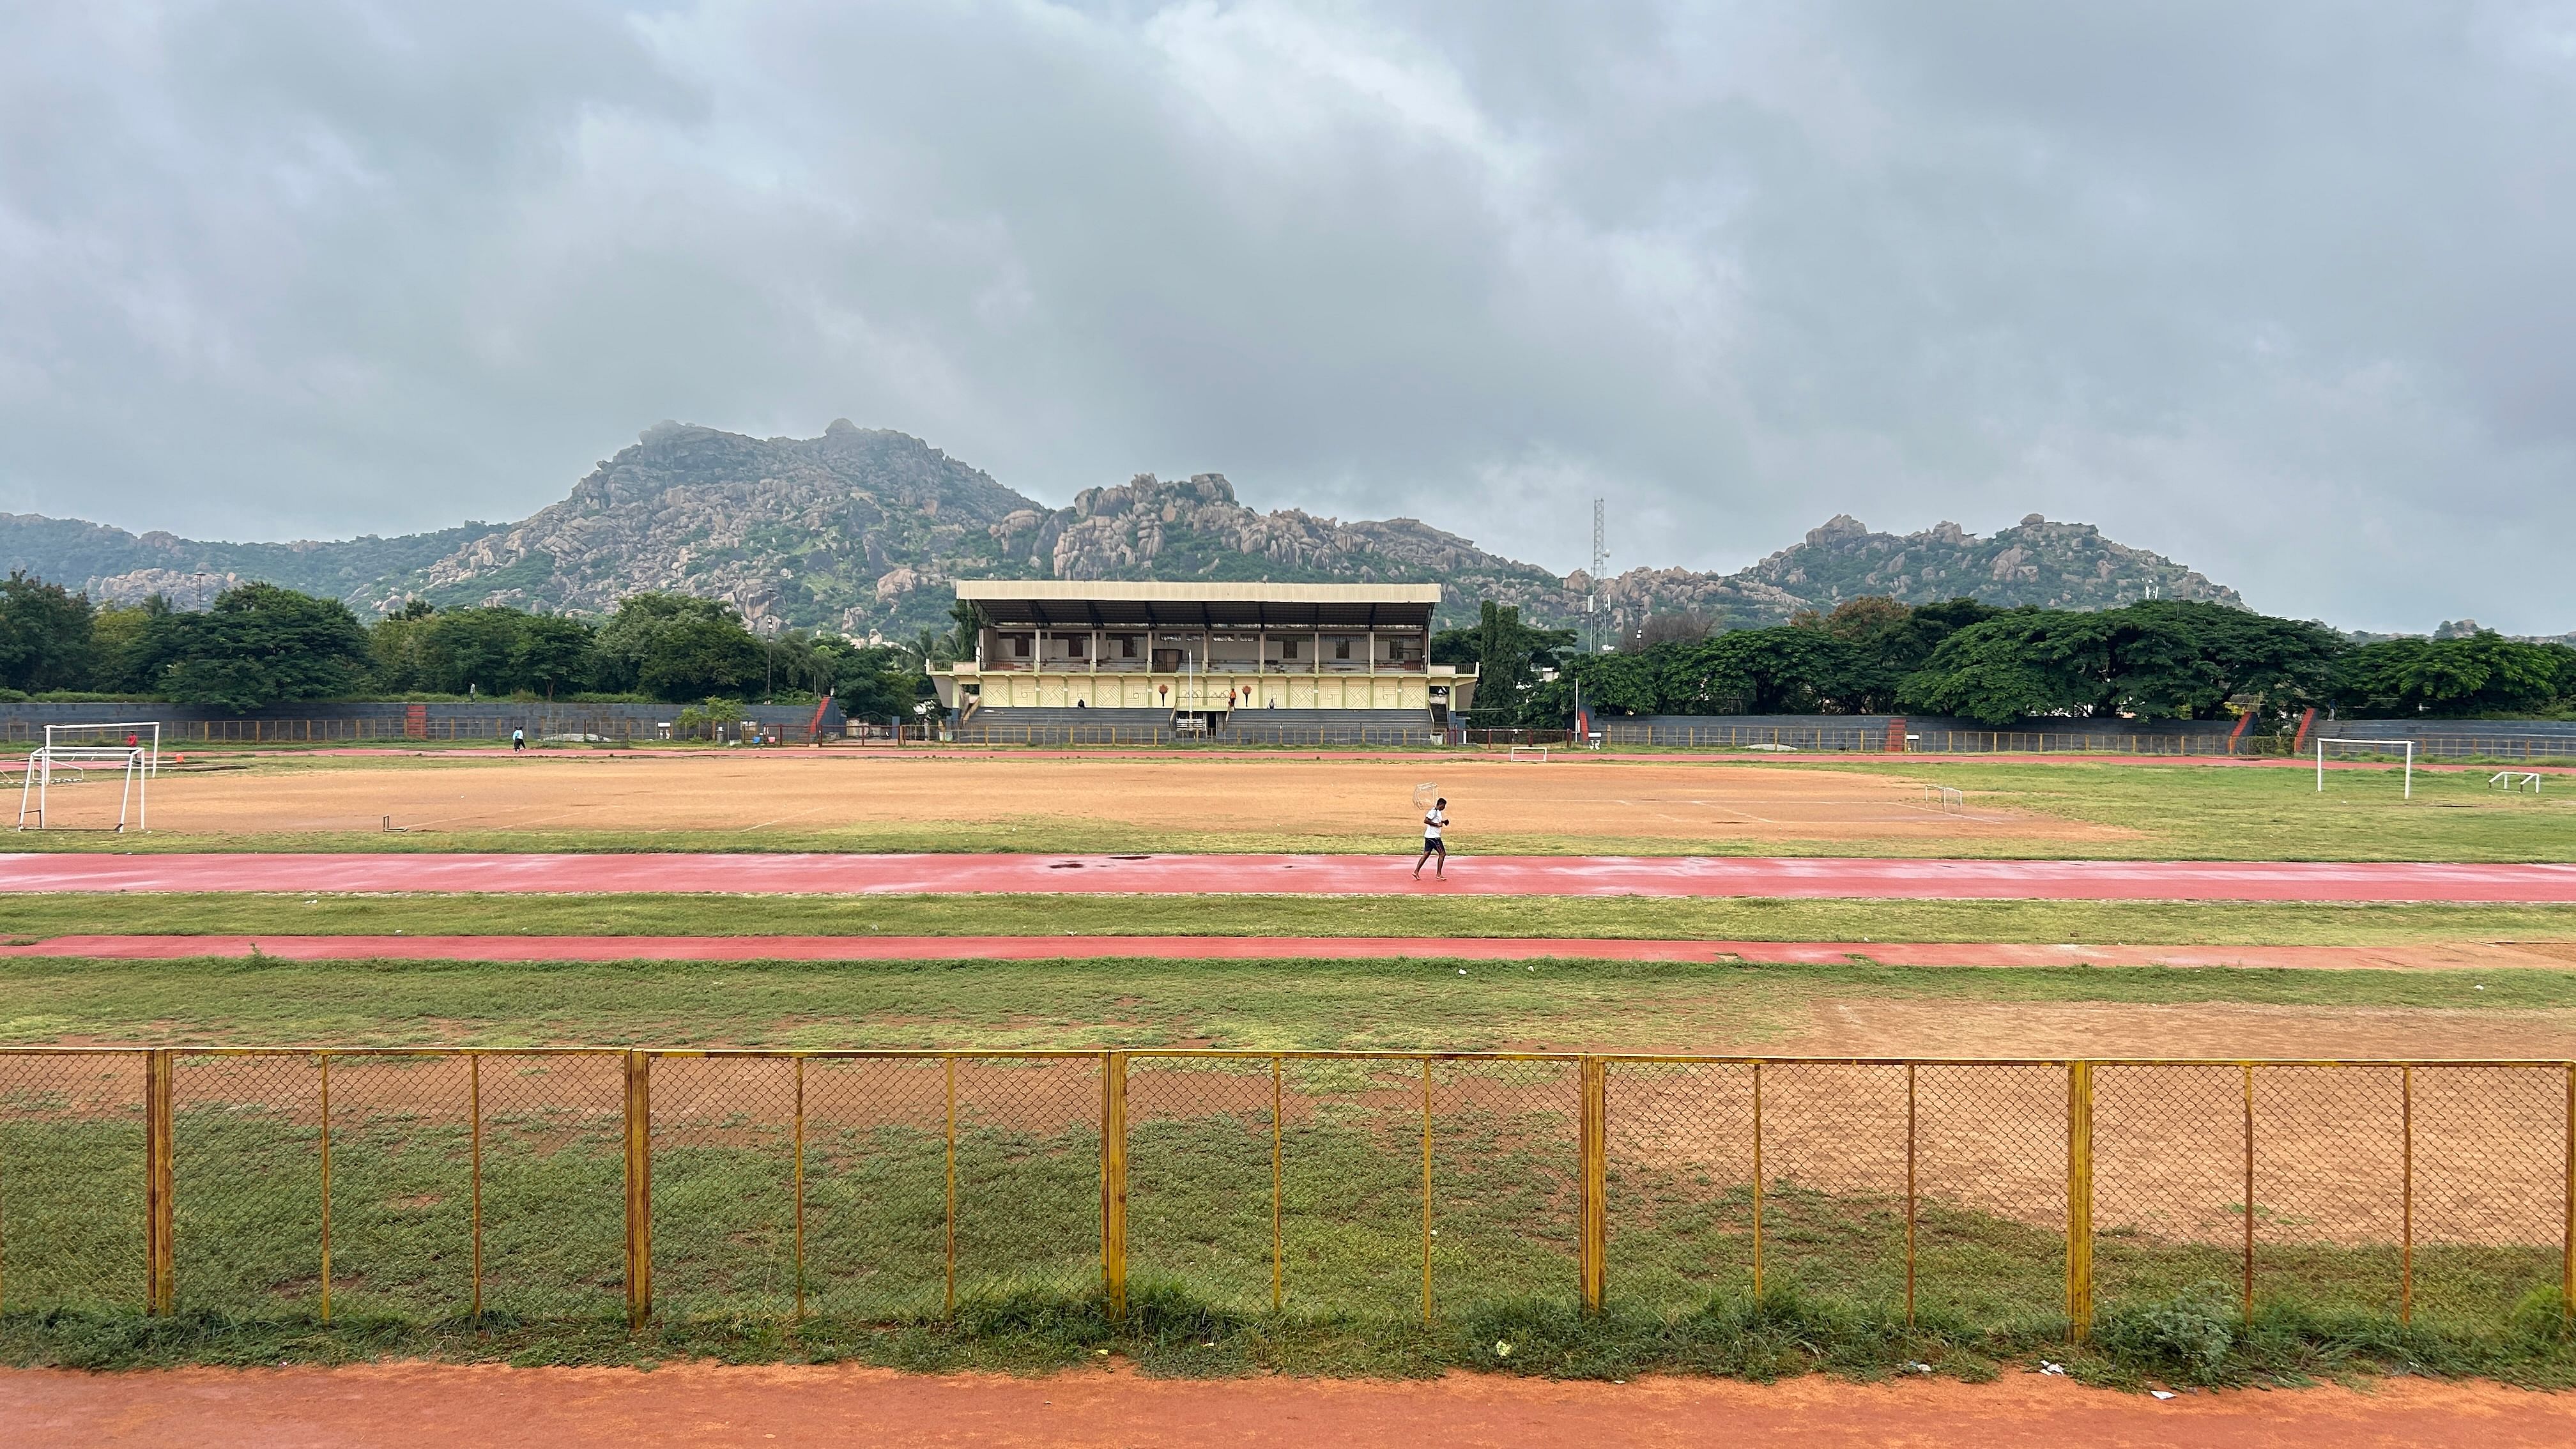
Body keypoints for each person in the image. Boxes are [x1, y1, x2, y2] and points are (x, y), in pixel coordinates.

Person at [1414, 796, 1449, 880]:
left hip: (1429, 837)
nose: (1444, 808)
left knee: (1426, 854)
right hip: (1434, 838)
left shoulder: (1438, 813)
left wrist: (1443, 822)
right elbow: (1426, 821)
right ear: (1440, 804)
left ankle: (1416, 872)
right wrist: (1437, 825)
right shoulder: (1434, 812)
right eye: (1443, 806)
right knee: (1442, 854)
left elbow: (1436, 821)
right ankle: (1439, 874)